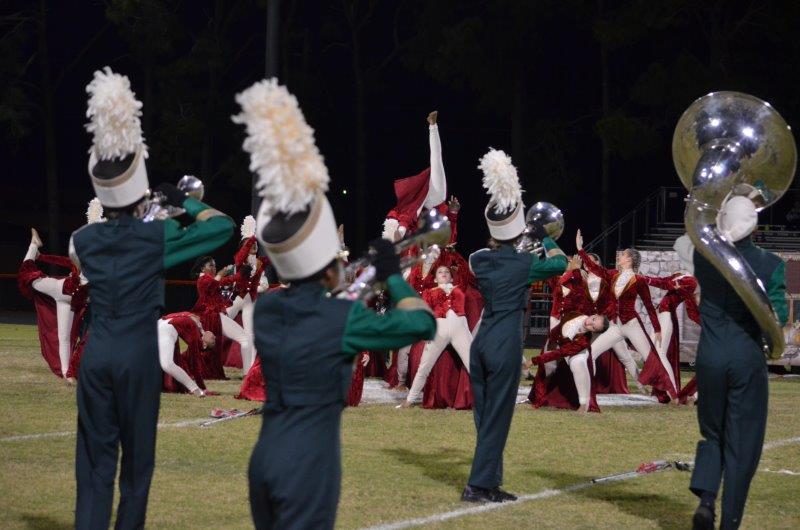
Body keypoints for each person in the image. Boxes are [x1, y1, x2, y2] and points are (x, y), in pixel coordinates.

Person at [232, 78, 436, 528]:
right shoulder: (343, 317)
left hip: (264, 460)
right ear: (328, 267)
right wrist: (391, 274)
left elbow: (316, 300)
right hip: (310, 467)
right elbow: (423, 324)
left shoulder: (268, 309)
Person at [71, 67, 234, 529]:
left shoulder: (84, 239)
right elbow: (221, 226)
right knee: (137, 465)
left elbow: (107, 235)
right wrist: (181, 200)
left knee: (94, 465)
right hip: (138, 352)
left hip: (97, 353)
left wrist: (142, 207)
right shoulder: (155, 236)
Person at [462, 148, 567, 503]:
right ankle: (477, 485)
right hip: (505, 340)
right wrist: (541, 234)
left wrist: (517, 234)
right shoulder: (524, 264)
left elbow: (488, 253)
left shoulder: (479, 259)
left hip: (480, 340)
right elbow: (560, 263)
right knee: (498, 416)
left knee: (485, 416)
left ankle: (488, 481)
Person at [688, 195, 787, 530]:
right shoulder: (771, 264)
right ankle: (729, 522)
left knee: (712, 433)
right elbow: (777, 317)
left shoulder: (704, 257)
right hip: (746, 356)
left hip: (710, 356)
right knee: (743, 444)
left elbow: (691, 233)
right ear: (754, 225)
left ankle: (706, 501)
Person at [576, 231, 676, 400]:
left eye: (622, 255)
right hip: (615, 326)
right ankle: (588, 393)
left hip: (631, 325)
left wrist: (657, 329)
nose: (620, 257)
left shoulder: (639, 279)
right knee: (590, 354)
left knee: (651, 358)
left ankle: (672, 393)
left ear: (629, 260)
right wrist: (580, 249)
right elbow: (595, 268)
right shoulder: (613, 275)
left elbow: (649, 306)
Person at [402, 265, 473, 407]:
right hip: (439, 329)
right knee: (424, 366)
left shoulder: (460, 288)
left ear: (452, 277)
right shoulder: (429, 292)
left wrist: (454, 259)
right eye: (440, 272)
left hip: (460, 328)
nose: (444, 273)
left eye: (447, 272)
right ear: (435, 279)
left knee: (473, 363)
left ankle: (492, 396)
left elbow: (467, 271)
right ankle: (410, 400)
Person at [530, 312, 609, 412]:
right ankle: (539, 396)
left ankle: (584, 403)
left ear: (593, 331)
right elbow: (556, 331)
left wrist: (534, 361)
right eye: (593, 320)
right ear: (594, 315)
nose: (589, 324)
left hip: (574, 351)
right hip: (555, 343)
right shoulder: (574, 313)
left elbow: (561, 352)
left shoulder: (583, 341)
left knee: (578, 364)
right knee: (548, 370)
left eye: (593, 327)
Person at [158, 312, 216, 396]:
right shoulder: (199, 328)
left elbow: (196, 368)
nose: (215, 337)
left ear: (204, 345)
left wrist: (203, 388)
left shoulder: (196, 341)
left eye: (213, 341)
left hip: (166, 329)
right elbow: (186, 315)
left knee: (167, 364)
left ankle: (195, 389)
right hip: (161, 324)